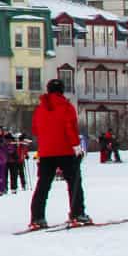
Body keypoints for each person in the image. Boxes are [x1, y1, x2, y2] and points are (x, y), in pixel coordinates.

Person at [30, 79, 91, 228]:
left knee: (43, 185)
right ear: (62, 90)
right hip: (65, 150)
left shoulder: (40, 109)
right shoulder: (66, 106)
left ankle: (37, 218)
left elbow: (35, 130)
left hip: (45, 152)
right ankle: (77, 213)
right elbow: (71, 128)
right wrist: (77, 147)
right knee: (74, 181)